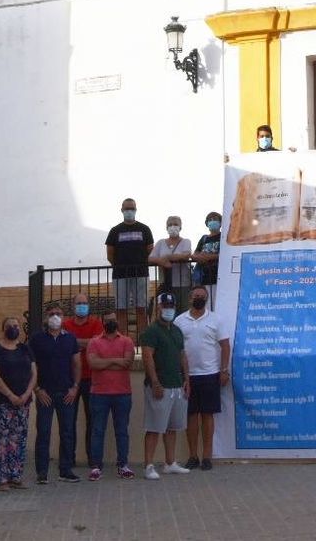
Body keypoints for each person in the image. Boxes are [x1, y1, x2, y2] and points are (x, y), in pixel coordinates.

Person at [177, 286, 230, 471]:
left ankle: (207, 457)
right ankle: (193, 456)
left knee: (207, 415)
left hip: (210, 374)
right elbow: (177, 349)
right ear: (190, 298)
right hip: (188, 377)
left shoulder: (216, 319)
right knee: (190, 416)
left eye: (202, 296)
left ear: (207, 299)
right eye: (195, 295)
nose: (199, 298)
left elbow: (225, 346)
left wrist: (224, 370)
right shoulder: (179, 320)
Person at [139, 292, 191, 479]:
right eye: (165, 306)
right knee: (154, 427)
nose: (168, 309)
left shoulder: (177, 330)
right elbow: (147, 357)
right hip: (159, 386)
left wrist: (187, 380)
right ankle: (149, 466)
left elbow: (182, 356)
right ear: (158, 308)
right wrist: (155, 382)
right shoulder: (151, 331)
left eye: (171, 306)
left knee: (171, 427)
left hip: (177, 385)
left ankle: (170, 462)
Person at [29, 303, 82, 483]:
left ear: (63, 317)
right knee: (43, 433)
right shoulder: (36, 339)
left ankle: (65, 470)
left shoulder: (70, 339)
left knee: (67, 432)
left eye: (58, 313)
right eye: (52, 314)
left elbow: (76, 364)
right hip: (45, 394)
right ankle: (42, 473)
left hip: (66, 393)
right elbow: (31, 367)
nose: (55, 317)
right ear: (46, 317)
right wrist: (37, 389)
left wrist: (75, 387)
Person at [0, 316, 36, 491]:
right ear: (3, 329)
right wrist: (10, 395)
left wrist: (26, 394)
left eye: (16, 326)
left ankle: (16, 476)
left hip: (23, 403)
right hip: (2, 404)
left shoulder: (25, 348)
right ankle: (1, 479)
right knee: (1, 441)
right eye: (9, 326)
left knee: (18, 440)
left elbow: (34, 373)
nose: (14, 328)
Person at [84, 310, 136, 480]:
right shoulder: (94, 342)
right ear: (103, 322)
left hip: (122, 394)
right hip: (99, 394)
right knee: (97, 430)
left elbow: (127, 363)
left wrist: (104, 363)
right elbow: (93, 363)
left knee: (122, 431)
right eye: (108, 320)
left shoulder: (127, 341)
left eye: (113, 320)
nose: (111, 322)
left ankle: (123, 465)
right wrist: (116, 361)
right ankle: (96, 467)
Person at [63, 292, 103, 470]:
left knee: (92, 422)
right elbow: (64, 345)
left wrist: (72, 342)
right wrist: (84, 343)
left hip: (91, 379)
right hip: (69, 380)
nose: (81, 306)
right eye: (78, 303)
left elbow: (97, 344)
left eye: (84, 303)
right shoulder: (65, 324)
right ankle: (68, 460)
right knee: (68, 422)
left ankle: (93, 460)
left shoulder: (96, 323)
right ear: (73, 306)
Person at [106, 200, 154, 338]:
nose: (129, 211)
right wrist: (120, 267)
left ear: (136, 210)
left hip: (141, 274)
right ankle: (122, 341)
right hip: (120, 275)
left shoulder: (145, 229)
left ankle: (144, 341)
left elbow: (150, 250)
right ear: (121, 210)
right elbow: (110, 254)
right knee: (121, 310)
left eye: (131, 208)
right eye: (127, 209)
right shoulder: (115, 231)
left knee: (141, 309)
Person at [151, 216, 195, 298]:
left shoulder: (186, 242)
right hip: (165, 283)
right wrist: (161, 261)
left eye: (175, 224)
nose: (172, 227)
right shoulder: (160, 243)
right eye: (170, 224)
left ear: (180, 227)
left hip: (182, 284)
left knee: (182, 309)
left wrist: (167, 257)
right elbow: (150, 258)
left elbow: (186, 255)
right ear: (166, 227)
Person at [192, 211, 223, 310]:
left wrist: (210, 257)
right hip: (204, 277)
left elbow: (225, 254)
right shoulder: (204, 238)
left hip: (219, 276)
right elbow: (195, 253)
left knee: (217, 304)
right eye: (210, 220)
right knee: (207, 305)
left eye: (215, 219)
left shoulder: (223, 237)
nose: (212, 221)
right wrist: (199, 258)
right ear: (207, 223)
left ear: (220, 223)